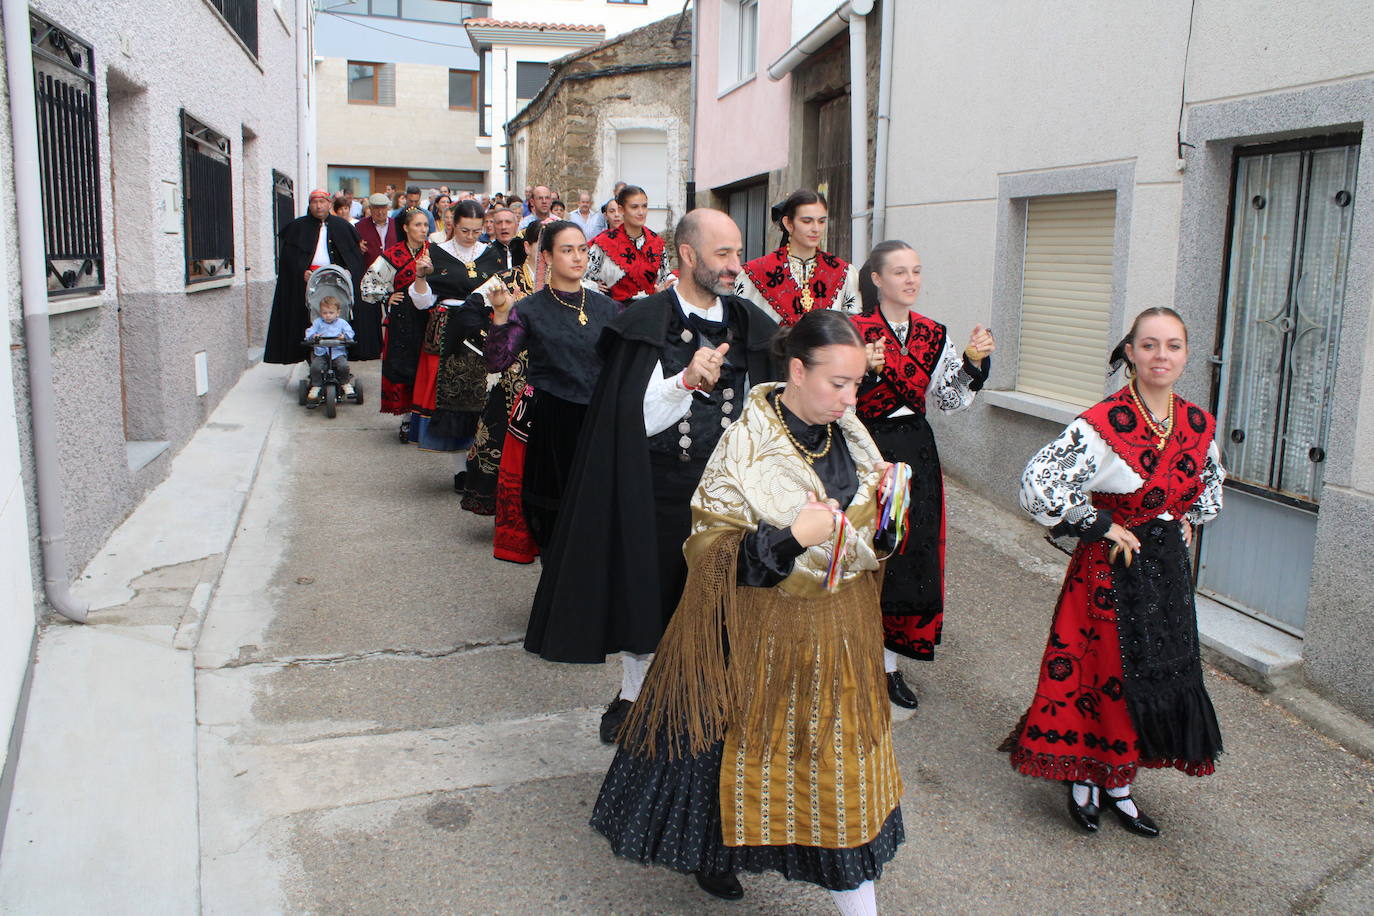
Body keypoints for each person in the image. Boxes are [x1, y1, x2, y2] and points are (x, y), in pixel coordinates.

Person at [592, 309, 905, 913]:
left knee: (834, 768)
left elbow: (868, 540)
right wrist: (790, 537)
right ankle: (716, 851)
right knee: (732, 755)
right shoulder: (744, 443)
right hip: (759, 633)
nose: (849, 397)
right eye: (837, 383)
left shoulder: (855, 433)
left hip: (842, 633)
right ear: (795, 369)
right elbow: (708, 550)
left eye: (856, 385)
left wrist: (890, 510)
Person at [522, 209, 778, 745]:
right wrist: (685, 381)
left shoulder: (753, 324)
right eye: (723, 253)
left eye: (737, 252)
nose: (736, 265)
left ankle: (713, 691)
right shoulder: (643, 322)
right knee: (648, 591)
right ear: (688, 255)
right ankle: (635, 693)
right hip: (658, 484)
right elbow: (627, 422)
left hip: (732, 496)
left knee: (725, 598)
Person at [1002, 307, 1225, 838]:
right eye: (1149, 345)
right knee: (1098, 676)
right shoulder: (1101, 423)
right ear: (1130, 351)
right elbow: (1039, 483)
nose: (1161, 356)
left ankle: (1120, 785)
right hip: (1109, 568)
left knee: (1147, 675)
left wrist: (1187, 516)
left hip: (1165, 573)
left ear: (1186, 354)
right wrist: (1096, 523)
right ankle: (1084, 777)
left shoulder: (1197, 423)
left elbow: (1210, 484)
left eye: (1173, 345)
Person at [850, 241, 993, 709]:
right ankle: (848, 655)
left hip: (914, 450)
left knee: (909, 558)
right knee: (862, 552)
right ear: (876, 279)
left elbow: (950, 400)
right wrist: (863, 374)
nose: (910, 280)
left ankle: (889, 666)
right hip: (864, 450)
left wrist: (972, 364)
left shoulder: (934, 334)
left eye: (916, 271)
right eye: (899, 272)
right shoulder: (853, 329)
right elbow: (829, 396)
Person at [483, 221, 619, 552]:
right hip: (551, 422)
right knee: (552, 514)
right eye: (567, 250)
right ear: (546, 255)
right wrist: (501, 315)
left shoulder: (609, 307)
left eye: (582, 250)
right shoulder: (530, 308)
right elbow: (497, 362)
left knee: (598, 513)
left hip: (599, 420)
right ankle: (555, 590)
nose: (577, 257)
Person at [405, 199, 502, 460]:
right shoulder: (435, 252)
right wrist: (421, 276)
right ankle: (460, 464)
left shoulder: (493, 254)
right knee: (449, 391)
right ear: (452, 225)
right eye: (464, 231)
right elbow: (422, 301)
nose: (470, 237)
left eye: (476, 230)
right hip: (449, 330)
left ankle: (476, 461)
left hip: (483, 328)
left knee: (483, 393)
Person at [459, 223, 545, 516]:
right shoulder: (506, 280)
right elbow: (469, 310)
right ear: (530, 246)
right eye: (543, 244)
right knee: (503, 436)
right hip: (512, 376)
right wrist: (495, 340)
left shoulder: (568, 284)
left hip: (551, 376)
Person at [264, 190, 376, 363]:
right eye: (314, 202)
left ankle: (340, 359)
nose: (318, 206)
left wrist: (347, 270)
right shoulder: (297, 227)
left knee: (340, 315)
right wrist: (301, 271)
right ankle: (313, 360)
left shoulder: (343, 226)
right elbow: (288, 259)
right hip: (309, 283)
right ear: (310, 205)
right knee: (308, 320)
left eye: (322, 201)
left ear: (329, 204)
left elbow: (353, 257)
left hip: (336, 282)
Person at [735, 190, 860, 325]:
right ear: (789, 223)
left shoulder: (844, 272)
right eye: (807, 221)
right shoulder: (755, 272)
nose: (816, 229)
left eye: (822, 221)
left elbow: (854, 328)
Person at [362, 207, 434, 434]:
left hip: (430, 315)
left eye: (425, 225)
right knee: (405, 366)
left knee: (427, 365)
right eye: (417, 225)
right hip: (403, 319)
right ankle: (406, 418)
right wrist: (387, 296)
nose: (423, 230)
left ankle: (426, 416)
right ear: (405, 228)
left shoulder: (434, 252)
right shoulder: (393, 255)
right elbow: (368, 283)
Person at [586, 185, 673, 306]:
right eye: (634, 207)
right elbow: (585, 277)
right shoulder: (604, 243)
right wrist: (596, 288)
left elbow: (665, 277)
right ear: (621, 210)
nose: (641, 212)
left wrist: (662, 290)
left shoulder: (656, 243)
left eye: (644, 206)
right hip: (615, 314)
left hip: (650, 311)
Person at [304, 295, 355, 405]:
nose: (328, 316)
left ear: (337, 312)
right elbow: (309, 331)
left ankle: (345, 383)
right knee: (315, 367)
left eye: (331, 313)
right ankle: (316, 385)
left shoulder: (342, 323)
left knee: (344, 366)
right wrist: (313, 336)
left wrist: (344, 336)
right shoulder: (318, 322)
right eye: (325, 313)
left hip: (337, 352)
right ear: (321, 313)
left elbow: (350, 333)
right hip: (321, 353)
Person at [356, 193, 391, 268]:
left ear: (388, 208)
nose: (380, 212)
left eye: (383, 208)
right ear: (370, 208)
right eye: (376, 208)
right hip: (369, 273)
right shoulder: (359, 226)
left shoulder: (397, 225)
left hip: (394, 273)